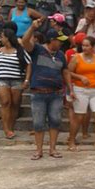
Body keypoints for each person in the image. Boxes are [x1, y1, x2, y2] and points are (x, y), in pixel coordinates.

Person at [23, 19, 75, 160]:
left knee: (55, 121)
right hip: (38, 92)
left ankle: (52, 149)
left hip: (56, 93)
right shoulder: (38, 49)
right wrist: (32, 28)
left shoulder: (60, 55)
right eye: (59, 40)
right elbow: (25, 42)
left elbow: (65, 72)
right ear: (52, 40)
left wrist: (70, 88)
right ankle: (39, 150)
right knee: (38, 123)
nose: (61, 43)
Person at [68, 36, 95, 151]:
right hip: (80, 89)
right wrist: (80, 77)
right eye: (83, 45)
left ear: (93, 47)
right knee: (79, 117)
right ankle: (71, 140)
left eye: (87, 46)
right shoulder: (76, 58)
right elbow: (68, 72)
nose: (84, 48)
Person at [0, 28, 31, 139]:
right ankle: (6, 129)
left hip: (17, 80)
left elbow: (28, 64)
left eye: (2, 37)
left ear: (7, 38)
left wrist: (26, 80)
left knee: (15, 104)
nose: (0, 39)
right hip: (2, 79)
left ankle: (11, 127)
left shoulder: (19, 50)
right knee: (5, 102)